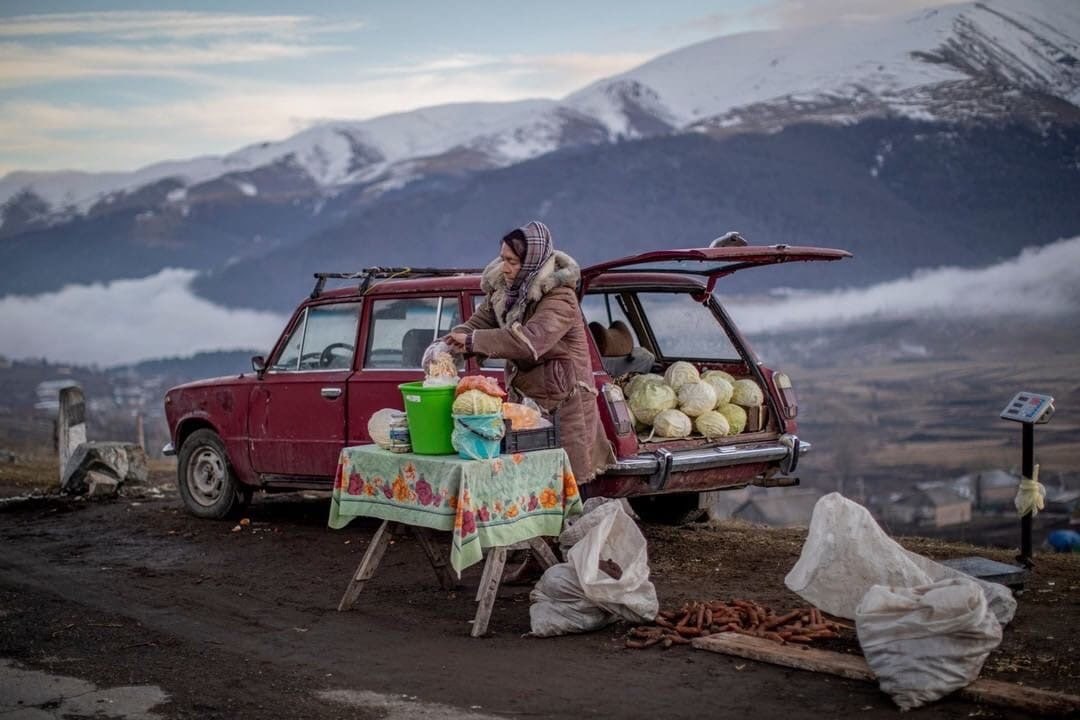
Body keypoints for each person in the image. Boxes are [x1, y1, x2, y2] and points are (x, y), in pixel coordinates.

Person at [445, 220, 615, 488]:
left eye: (512, 261)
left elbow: (530, 342)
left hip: (563, 400)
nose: (506, 268)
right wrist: (447, 345)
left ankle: (569, 528)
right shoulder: (504, 291)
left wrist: (471, 341)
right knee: (529, 477)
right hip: (528, 398)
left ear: (531, 261)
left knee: (564, 478)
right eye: (503, 259)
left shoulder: (560, 297)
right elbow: (480, 322)